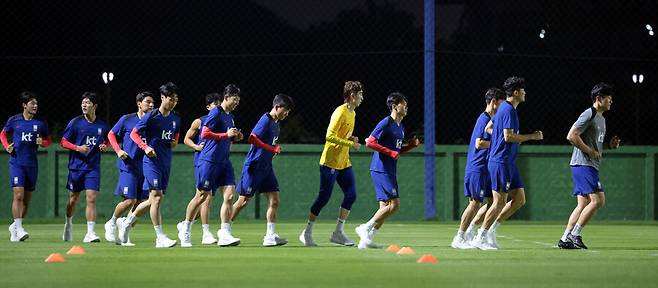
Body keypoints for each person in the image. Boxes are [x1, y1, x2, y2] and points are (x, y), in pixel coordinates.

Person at [471, 77, 543, 250]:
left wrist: (497, 140)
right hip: (501, 161)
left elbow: (490, 128)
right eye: (523, 90)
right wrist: (532, 136)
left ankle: (491, 231)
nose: (525, 93)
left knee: (519, 199)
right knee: (498, 202)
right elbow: (508, 136)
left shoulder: (504, 108)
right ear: (516, 92)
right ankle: (480, 237)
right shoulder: (508, 110)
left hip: (508, 162)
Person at [299, 81, 364, 247]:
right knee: (324, 197)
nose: (362, 98)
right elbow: (329, 136)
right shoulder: (340, 112)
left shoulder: (353, 113)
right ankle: (306, 232)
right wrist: (350, 144)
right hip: (330, 162)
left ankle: (338, 233)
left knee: (351, 194)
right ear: (352, 96)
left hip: (344, 161)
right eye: (360, 95)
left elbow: (342, 136)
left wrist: (350, 138)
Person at [117, 82, 181, 248]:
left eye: (176, 99)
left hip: (166, 162)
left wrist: (174, 142)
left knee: (153, 199)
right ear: (162, 98)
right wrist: (145, 147)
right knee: (157, 197)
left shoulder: (176, 118)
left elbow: (175, 136)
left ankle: (127, 222)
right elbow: (133, 134)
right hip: (151, 162)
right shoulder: (151, 116)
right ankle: (160, 237)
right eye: (170, 99)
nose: (173, 102)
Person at [179, 84, 244, 247]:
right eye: (235, 99)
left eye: (239, 99)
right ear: (227, 97)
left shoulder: (230, 116)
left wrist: (235, 136)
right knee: (201, 196)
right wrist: (225, 135)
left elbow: (227, 136)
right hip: (209, 160)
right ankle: (186, 228)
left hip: (224, 161)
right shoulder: (216, 112)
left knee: (229, 196)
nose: (237, 102)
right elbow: (205, 133)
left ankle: (225, 233)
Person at [558, 82, 620, 249]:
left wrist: (609, 146)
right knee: (598, 200)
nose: (611, 102)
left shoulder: (602, 119)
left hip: (589, 165)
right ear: (599, 98)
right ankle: (574, 234)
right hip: (583, 164)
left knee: (583, 203)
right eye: (608, 99)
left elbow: (595, 146)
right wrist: (589, 151)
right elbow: (571, 136)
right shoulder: (589, 114)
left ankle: (565, 238)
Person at [355, 92, 419, 249]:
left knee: (384, 208)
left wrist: (410, 146)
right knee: (395, 205)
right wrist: (390, 152)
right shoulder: (386, 123)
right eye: (403, 104)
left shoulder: (401, 127)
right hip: (380, 169)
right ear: (395, 106)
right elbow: (370, 142)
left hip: (389, 169)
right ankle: (365, 228)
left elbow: (396, 152)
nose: (406, 107)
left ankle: (366, 240)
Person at [230, 94, 294, 247]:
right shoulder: (265, 119)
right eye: (285, 110)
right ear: (277, 107)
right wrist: (271, 148)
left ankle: (270, 236)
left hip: (266, 168)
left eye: (288, 111)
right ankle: (225, 230)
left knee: (275, 200)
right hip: (254, 166)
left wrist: (272, 151)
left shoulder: (277, 124)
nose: (287, 114)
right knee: (242, 201)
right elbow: (252, 138)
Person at [451, 88, 505, 249]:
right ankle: (459, 237)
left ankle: (470, 233)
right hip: (478, 167)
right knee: (475, 203)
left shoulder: (492, 119)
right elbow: (479, 143)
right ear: (494, 102)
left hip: (486, 168)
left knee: (491, 204)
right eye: (501, 104)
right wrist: (501, 143)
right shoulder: (484, 119)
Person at [103, 91, 155, 245]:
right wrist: (119, 151)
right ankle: (112, 222)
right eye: (148, 102)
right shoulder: (127, 119)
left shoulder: (153, 121)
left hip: (146, 166)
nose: (151, 105)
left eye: (153, 102)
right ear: (139, 104)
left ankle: (125, 228)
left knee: (143, 203)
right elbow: (111, 134)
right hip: (129, 165)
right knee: (129, 201)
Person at [1, 91, 51, 242]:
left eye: (36, 103)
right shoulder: (14, 121)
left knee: (26, 200)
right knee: (18, 195)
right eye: (32, 103)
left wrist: (42, 143)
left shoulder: (40, 123)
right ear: (24, 105)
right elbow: (3, 134)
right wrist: (6, 146)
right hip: (17, 163)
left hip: (32, 165)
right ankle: (19, 228)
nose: (35, 106)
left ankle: (15, 227)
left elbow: (48, 141)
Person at [61, 92, 110, 243]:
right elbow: (63, 142)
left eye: (88, 103)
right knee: (73, 199)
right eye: (83, 102)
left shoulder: (102, 125)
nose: (84, 105)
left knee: (91, 198)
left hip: (92, 167)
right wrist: (77, 148)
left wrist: (105, 146)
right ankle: (68, 223)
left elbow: (108, 140)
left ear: (94, 106)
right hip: (76, 167)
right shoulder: (75, 123)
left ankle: (90, 233)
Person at [180, 92, 221, 245]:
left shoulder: (222, 121)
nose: (217, 106)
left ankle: (185, 224)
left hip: (216, 162)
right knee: (204, 196)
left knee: (206, 198)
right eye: (214, 104)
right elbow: (186, 139)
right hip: (202, 162)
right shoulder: (200, 121)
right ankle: (204, 232)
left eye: (219, 103)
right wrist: (197, 147)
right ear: (208, 107)